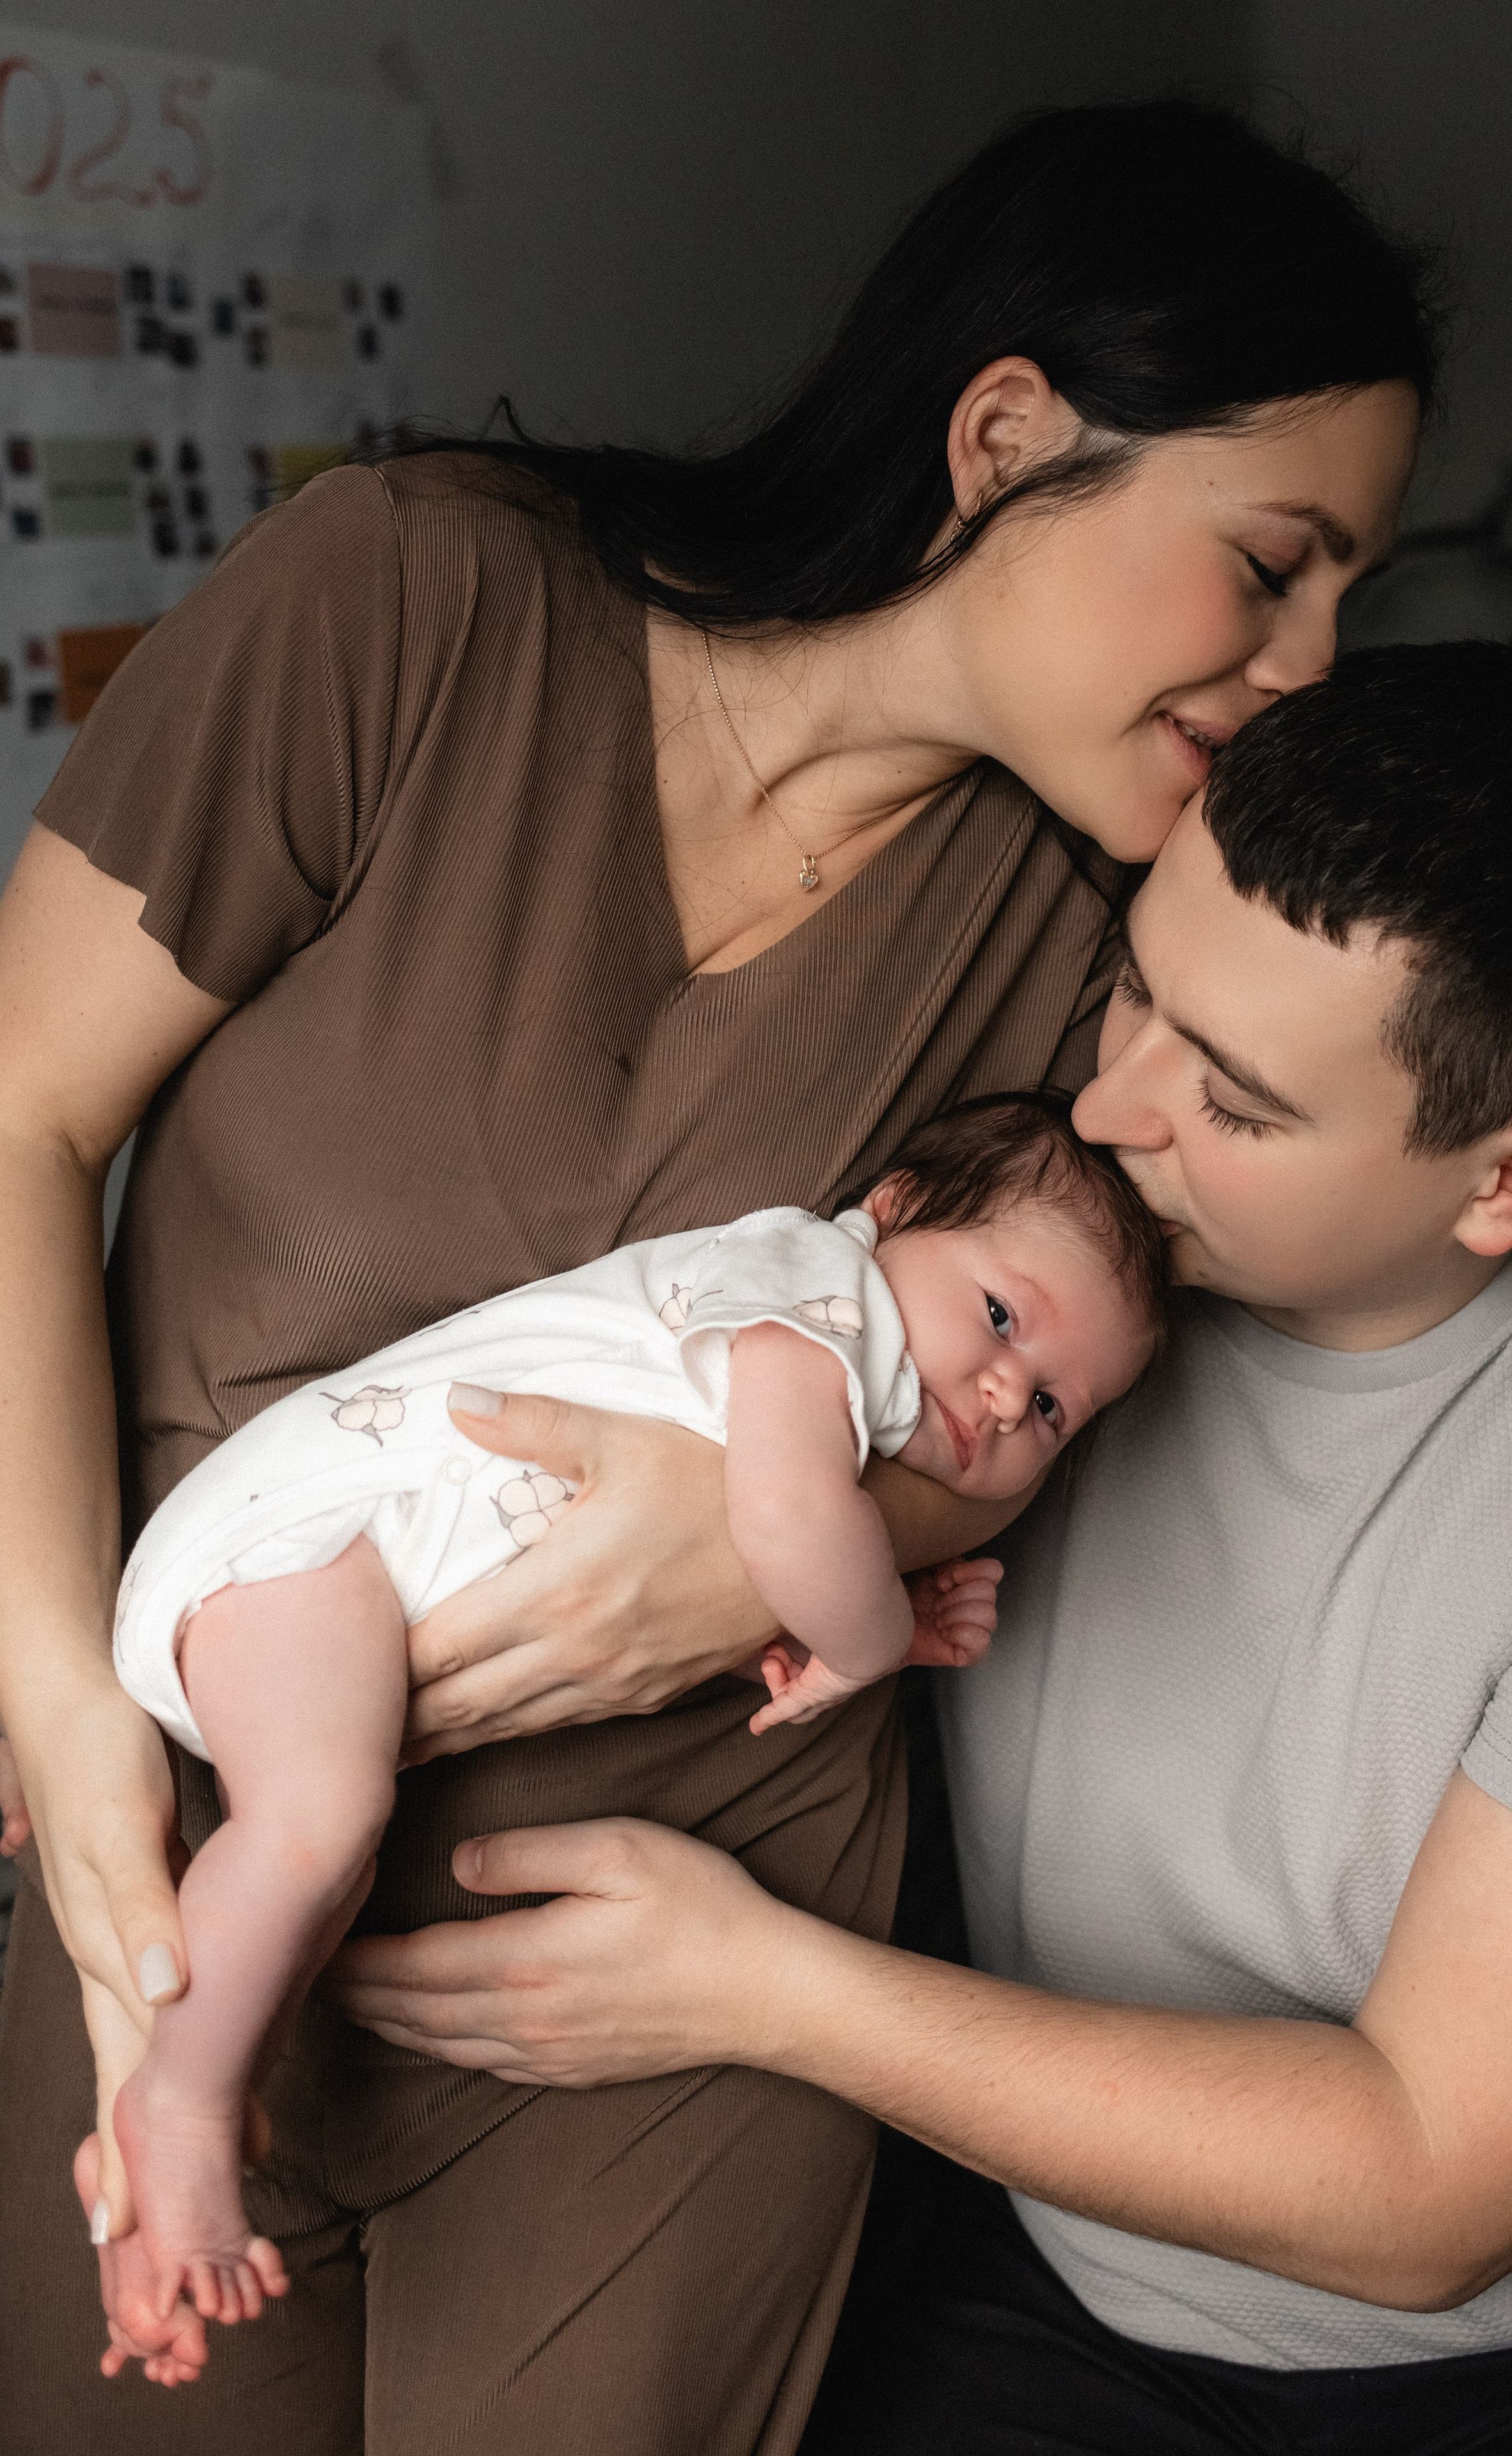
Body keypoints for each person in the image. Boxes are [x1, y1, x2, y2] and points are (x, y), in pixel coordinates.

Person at [0, 101, 1431, 2454]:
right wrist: (64, 1713)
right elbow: (25, 1121)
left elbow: (1053, 1398)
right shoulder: (413, 608)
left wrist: (786, 1534)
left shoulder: (1105, 943)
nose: (1311, 658)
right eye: (1274, 561)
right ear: (1006, 436)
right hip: (166, 1876)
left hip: (669, 1960)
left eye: (1351, 593)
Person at [327, 645, 1512, 2455]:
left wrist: (752, 1988)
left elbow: (1430, 2188)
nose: (1110, 1113)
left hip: (1505, 2369)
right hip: (1041, 2273)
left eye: (1237, 1104)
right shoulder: (1067, 1199)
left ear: (1511, 1182)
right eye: (1136, 997)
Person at [93, 1099, 1165, 2385]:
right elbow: (778, 1518)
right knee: (314, 1827)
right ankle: (181, 2105)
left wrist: (879, 1612)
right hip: (308, 1537)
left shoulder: (856, 1381)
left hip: (339, 1584)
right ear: (887, 1210)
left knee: (308, 1895)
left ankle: (166, 2152)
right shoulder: (811, 1292)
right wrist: (873, 1635)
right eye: (998, 1316)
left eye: (1051, 1407)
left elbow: (743, 1576)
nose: (1001, 1395)